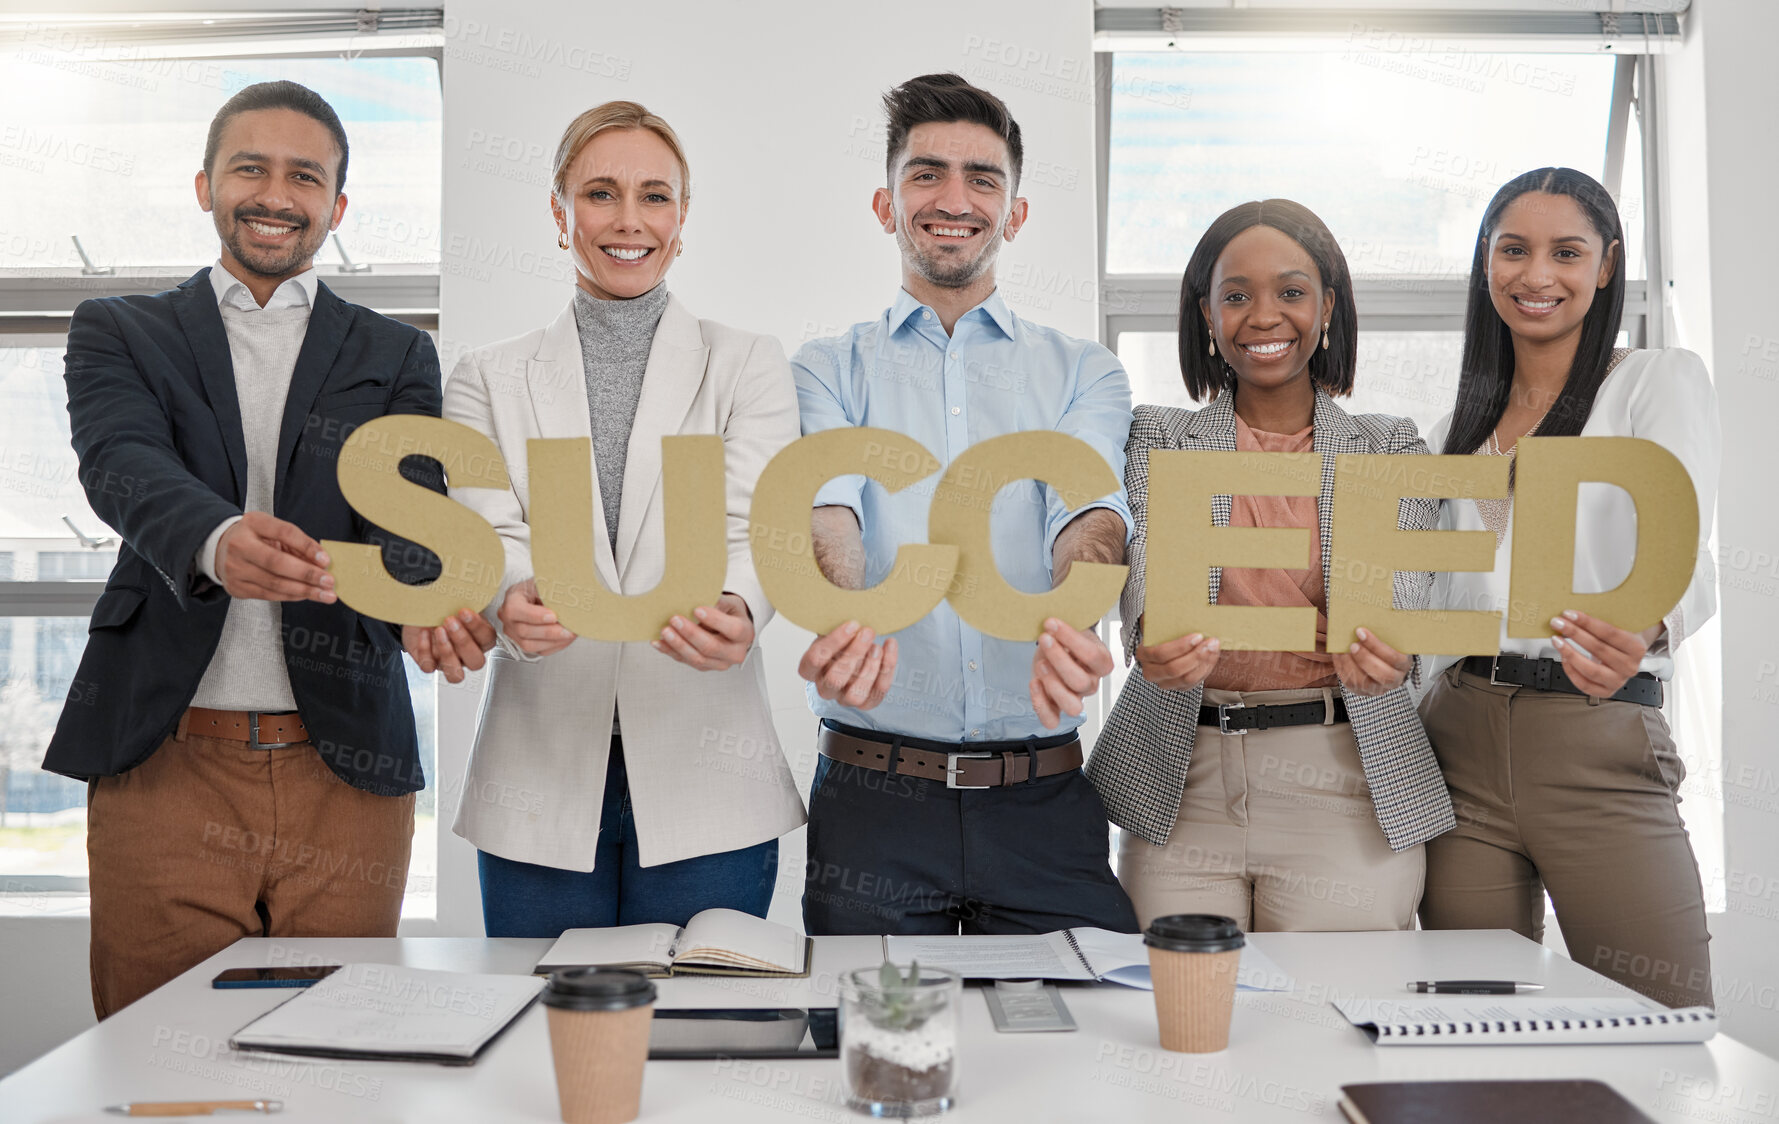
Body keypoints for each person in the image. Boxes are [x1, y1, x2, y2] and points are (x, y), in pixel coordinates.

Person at [44, 81, 443, 1017]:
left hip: (344, 769)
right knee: (155, 1065)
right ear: (205, 185)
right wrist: (217, 540)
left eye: (305, 176)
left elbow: (414, 517)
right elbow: (120, 463)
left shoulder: (397, 353)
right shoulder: (121, 329)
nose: (276, 193)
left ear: (337, 206)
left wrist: (435, 603)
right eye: (250, 168)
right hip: (165, 762)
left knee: (336, 1058)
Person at [432, 101, 805, 937]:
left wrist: (741, 608)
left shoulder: (746, 362)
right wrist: (509, 593)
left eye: (655, 196)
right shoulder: (485, 377)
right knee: (546, 1038)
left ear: (682, 218)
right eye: (600, 193)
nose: (628, 220)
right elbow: (485, 528)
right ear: (559, 214)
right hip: (540, 768)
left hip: (707, 765)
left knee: (700, 1036)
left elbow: (758, 522)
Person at [794, 73, 1139, 936]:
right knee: (872, 1057)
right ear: (886, 203)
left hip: (1042, 797)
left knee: (1072, 1057)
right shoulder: (825, 368)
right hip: (871, 804)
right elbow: (828, 507)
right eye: (926, 174)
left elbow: (1089, 513)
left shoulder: (1082, 369)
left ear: (1015, 213)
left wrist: (1071, 617)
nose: (954, 199)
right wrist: (845, 612)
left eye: (982, 178)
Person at [1086, 200, 1456, 932]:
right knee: (1184, 1023)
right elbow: (1149, 556)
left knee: (1335, 1024)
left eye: (1290, 292)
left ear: (1327, 309)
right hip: (1180, 777)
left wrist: (1396, 647)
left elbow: (1403, 592)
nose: (1263, 316)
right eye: (1235, 295)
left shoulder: (1388, 446)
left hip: (1343, 779)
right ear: (1205, 315)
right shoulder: (1155, 435)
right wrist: (1151, 629)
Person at [1418, 167, 1719, 1009]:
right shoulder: (1454, 432)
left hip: (1598, 729)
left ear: (1606, 264)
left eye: (1566, 252)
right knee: (1475, 1019)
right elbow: (1436, 599)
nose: (1536, 275)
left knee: (1660, 1016)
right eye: (1512, 250)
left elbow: (1686, 546)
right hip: (1459, 736)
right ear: (1486, 264)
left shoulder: (1654, 381)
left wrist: (1648, 627)